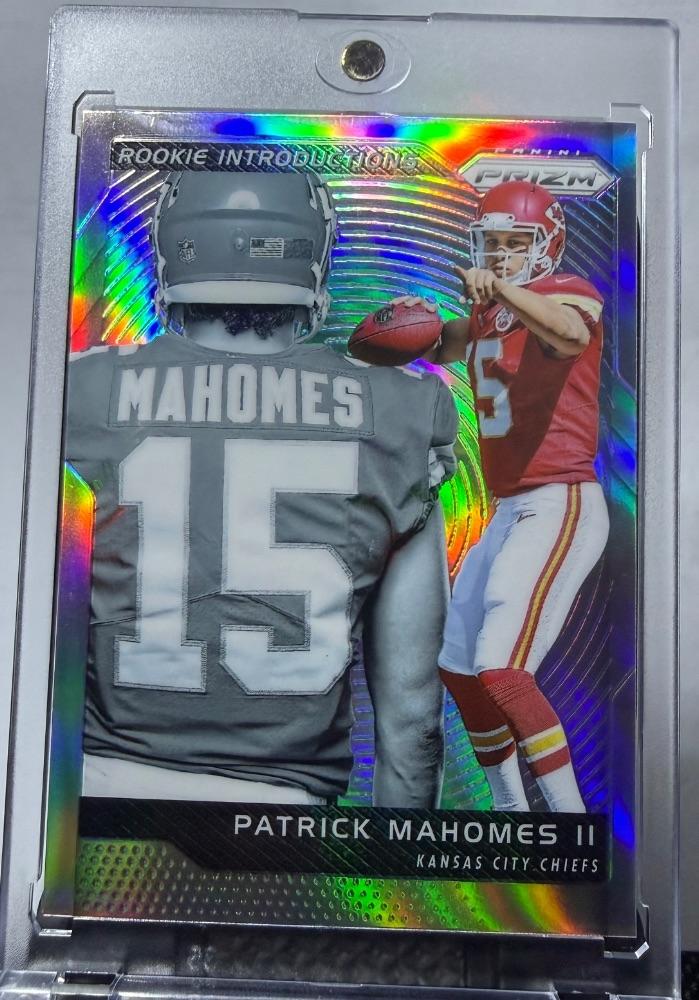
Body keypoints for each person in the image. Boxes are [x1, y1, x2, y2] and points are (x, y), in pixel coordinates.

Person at [67, 170, 457, 808]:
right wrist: (402, 867)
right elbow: (413, 717)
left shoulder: (77, 390)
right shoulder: (405, 412)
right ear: (313, 263)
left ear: (173, 257)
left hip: (98, 796)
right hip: (282, 818)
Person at [390, 180, 609, 812]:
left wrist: (503, 290)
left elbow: (567, 334)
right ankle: (511, 812)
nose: (503, 256)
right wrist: (400, 322)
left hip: (561, 499)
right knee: (459, 669)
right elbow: (436, 343)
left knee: (503, 668)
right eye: (493, 244)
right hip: (511, 508)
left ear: (547, 244)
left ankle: (567, 822)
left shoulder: (568, 291)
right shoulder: (490, 311)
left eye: (517, 243)